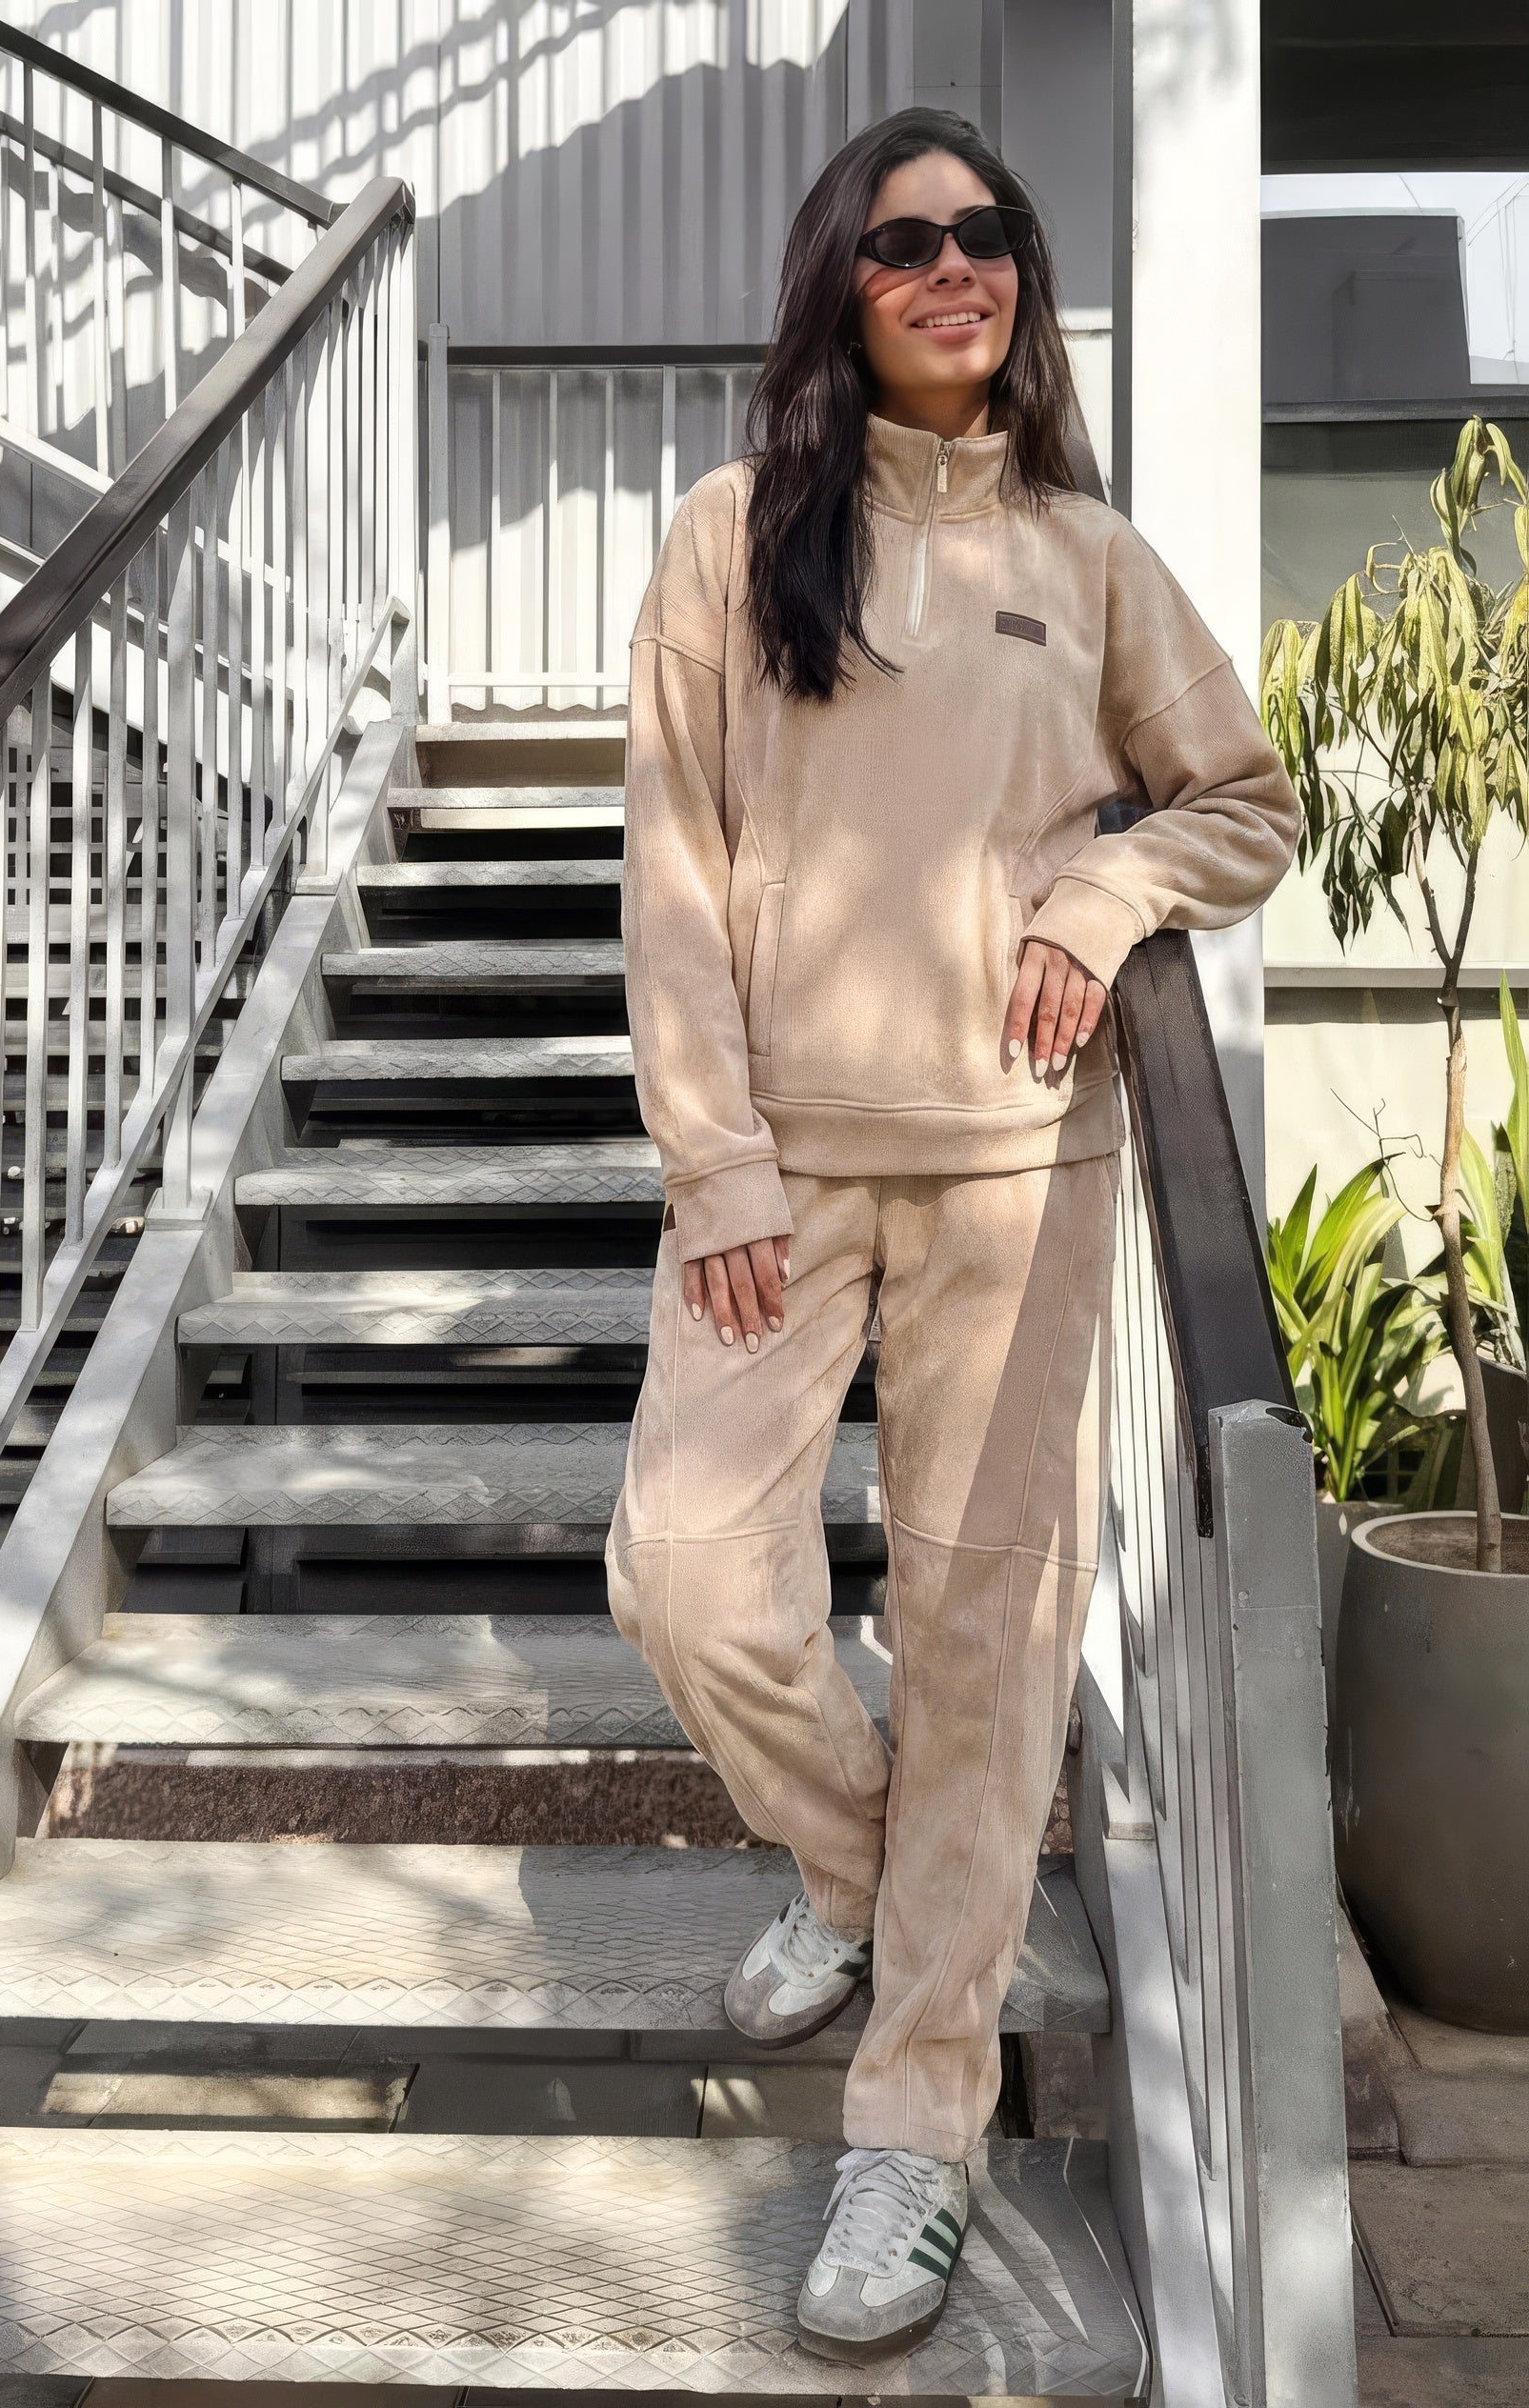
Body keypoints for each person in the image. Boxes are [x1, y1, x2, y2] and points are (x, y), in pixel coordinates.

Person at [605, 106, 1298, 2364]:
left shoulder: (1083, 558)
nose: (949, 268)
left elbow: (1241, 799)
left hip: (1020, 1166)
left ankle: (917, 2116)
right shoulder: (730, 539)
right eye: (901, 240)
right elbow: (674, 868)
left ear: (1020, 274)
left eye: (982, 234)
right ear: (840, 279)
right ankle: (859, 1867)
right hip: (778, 1169)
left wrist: (1105, 892)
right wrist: (713, 1159)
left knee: (983, 1639)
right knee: (687, 1575)